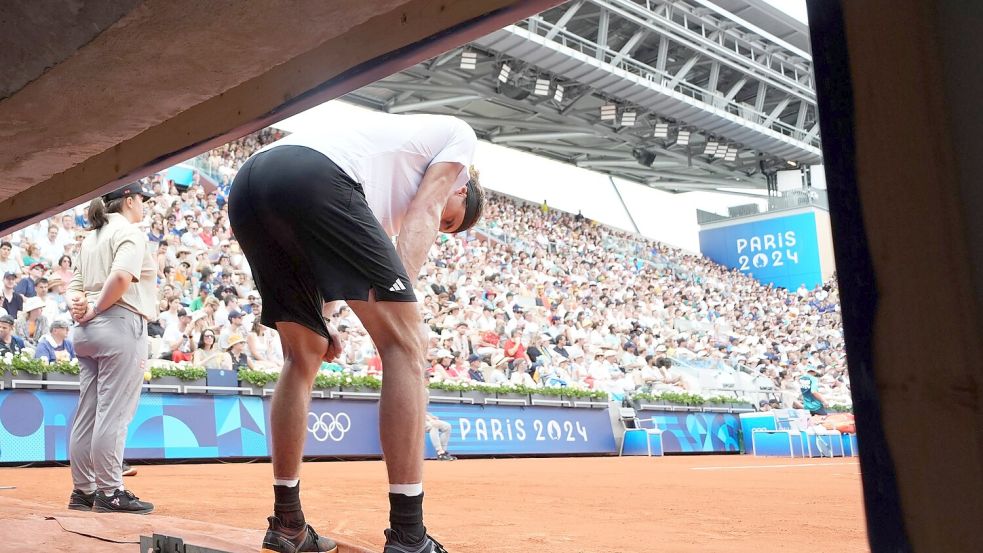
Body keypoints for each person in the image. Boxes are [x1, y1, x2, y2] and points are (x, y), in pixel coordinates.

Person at [229, 111, 483, 553]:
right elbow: (425, 209)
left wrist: (326, 318)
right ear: (461, 188)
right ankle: (408, 534)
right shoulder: (460, 141)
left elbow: (333, 263)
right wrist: (405, 312)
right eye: (451, 222)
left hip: (252, 182)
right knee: (407, 345)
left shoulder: (378, 203)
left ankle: (287, 522)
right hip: (319, 175)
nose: (442, 229)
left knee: (303, 353)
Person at [66, 181, 157, 515]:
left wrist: (80, 308)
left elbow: (73, 286)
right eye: (142, 199)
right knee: (114, 413)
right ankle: (110, 491)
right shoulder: (129, 231)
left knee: (88, 412)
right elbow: (120, 279)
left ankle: (83, 491)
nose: (144, 205)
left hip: (86, 329)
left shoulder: (90, 237)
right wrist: (95, 309)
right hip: (117, 322)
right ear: (128, 200)